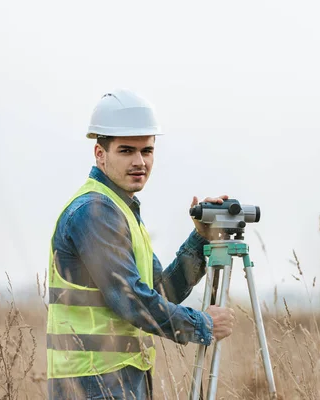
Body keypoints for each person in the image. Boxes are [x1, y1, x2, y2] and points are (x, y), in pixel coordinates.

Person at [46, 89, 236, 399]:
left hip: (120, 378)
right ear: (100, 154)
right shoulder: (94, 212)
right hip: (92, 383)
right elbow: (131, 300)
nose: (139, 162)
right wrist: (202, 324)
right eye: (126, 151)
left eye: (146, 151)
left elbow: (161, 292)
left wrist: (202, 238)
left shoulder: (120, 209)